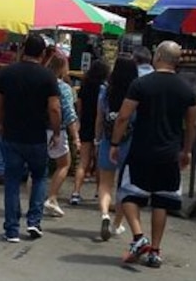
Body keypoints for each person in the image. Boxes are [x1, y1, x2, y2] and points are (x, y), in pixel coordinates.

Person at [111, 41, 196, 268]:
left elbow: (123, 116)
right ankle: (155, 251)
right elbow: (192, 124)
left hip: (141, 149)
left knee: (128, 194)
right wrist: (186, 150)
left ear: (157, 56)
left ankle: (139, 238)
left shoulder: (140, 84)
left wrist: (114, 143)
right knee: (162, 201)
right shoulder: (187, 89)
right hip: (170, 152)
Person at [0, 34, 60, 243]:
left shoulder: (7, 73)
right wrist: (56, 132)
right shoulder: (48, 76)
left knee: (12, 180)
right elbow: (54, 108)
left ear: (23, 50)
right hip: (37, 136)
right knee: (39, 177)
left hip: (12, 134)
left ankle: (12, 229)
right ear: (42, 54)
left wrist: (1, 124)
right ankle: (34, 221)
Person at [95, 57, 138, 241]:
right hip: (129, 142)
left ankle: (105, 214)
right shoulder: (136, 92)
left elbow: (99, 117)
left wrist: (97, 139)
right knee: (124, 186)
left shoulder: (105, 91)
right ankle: (117, 224)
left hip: (107, 140)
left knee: (105, 183)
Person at [44, 55, 80, 217]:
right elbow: (68, 114)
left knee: (36, 168)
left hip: (37, 129)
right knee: (64, 163)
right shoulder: (64, 88)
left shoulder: (40, 82)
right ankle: (51, 197)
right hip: (57, 129)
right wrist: (75, 137)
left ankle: (35, 200)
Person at [70, 59, 110, 206]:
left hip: (86, 124)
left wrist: (80, 120)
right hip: (99, 127)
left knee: (83, 161)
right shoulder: (105, 89)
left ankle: (75, 192)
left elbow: (79, 107)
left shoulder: (84, 86)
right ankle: (99, 192)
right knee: (100, 162)